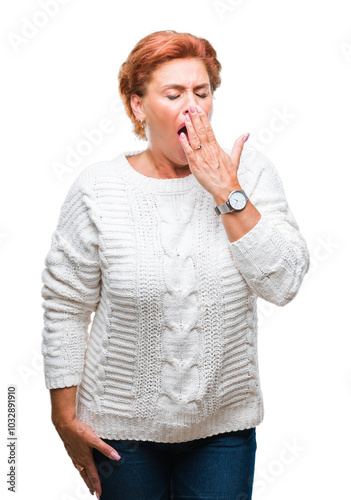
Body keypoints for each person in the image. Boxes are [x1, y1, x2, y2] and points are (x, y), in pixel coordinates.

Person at [41, 30, 310, 500]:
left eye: (202, 93)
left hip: (222, 430)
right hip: (120, 430)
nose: (194, 108)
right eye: (174, 94)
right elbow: (65, 304)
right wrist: (63, 416)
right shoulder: (98, 189)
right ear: (137, 107)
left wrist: (228, 192)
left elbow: (284, 282)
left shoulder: (250, 173)